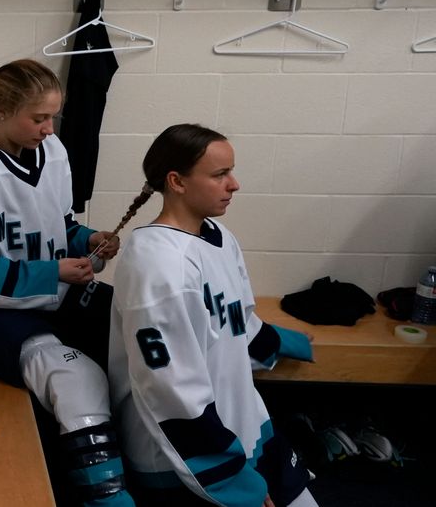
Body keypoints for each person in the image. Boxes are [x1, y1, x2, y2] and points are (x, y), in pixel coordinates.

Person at [0, 58, 134, 507]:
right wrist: (53, 272)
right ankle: (105, 496)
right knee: (76, 375)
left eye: (52, 116)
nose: (49, 129)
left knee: (134, 322)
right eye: (38, 118)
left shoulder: (52, 153)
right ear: (0, 112)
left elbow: (56, 224)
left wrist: (86, 238)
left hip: (41, 290)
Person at [107, 123, 317, 507]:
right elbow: (171, 391)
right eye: (220, 174)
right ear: (178, 182)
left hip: (244, 422)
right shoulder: (157, 265)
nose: (234, 184)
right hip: (187, 459)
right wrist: (234, 482)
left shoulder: (218, 235)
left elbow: (238, 321)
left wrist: (288, 342)